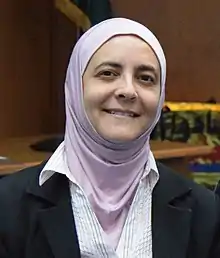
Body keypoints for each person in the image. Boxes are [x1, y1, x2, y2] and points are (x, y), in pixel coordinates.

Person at [0, 17, 219, 258]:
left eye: (145, 78)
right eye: (108, 73)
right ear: (76, 86)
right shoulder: (7, 208)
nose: (127, 90)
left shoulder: (205, 214)